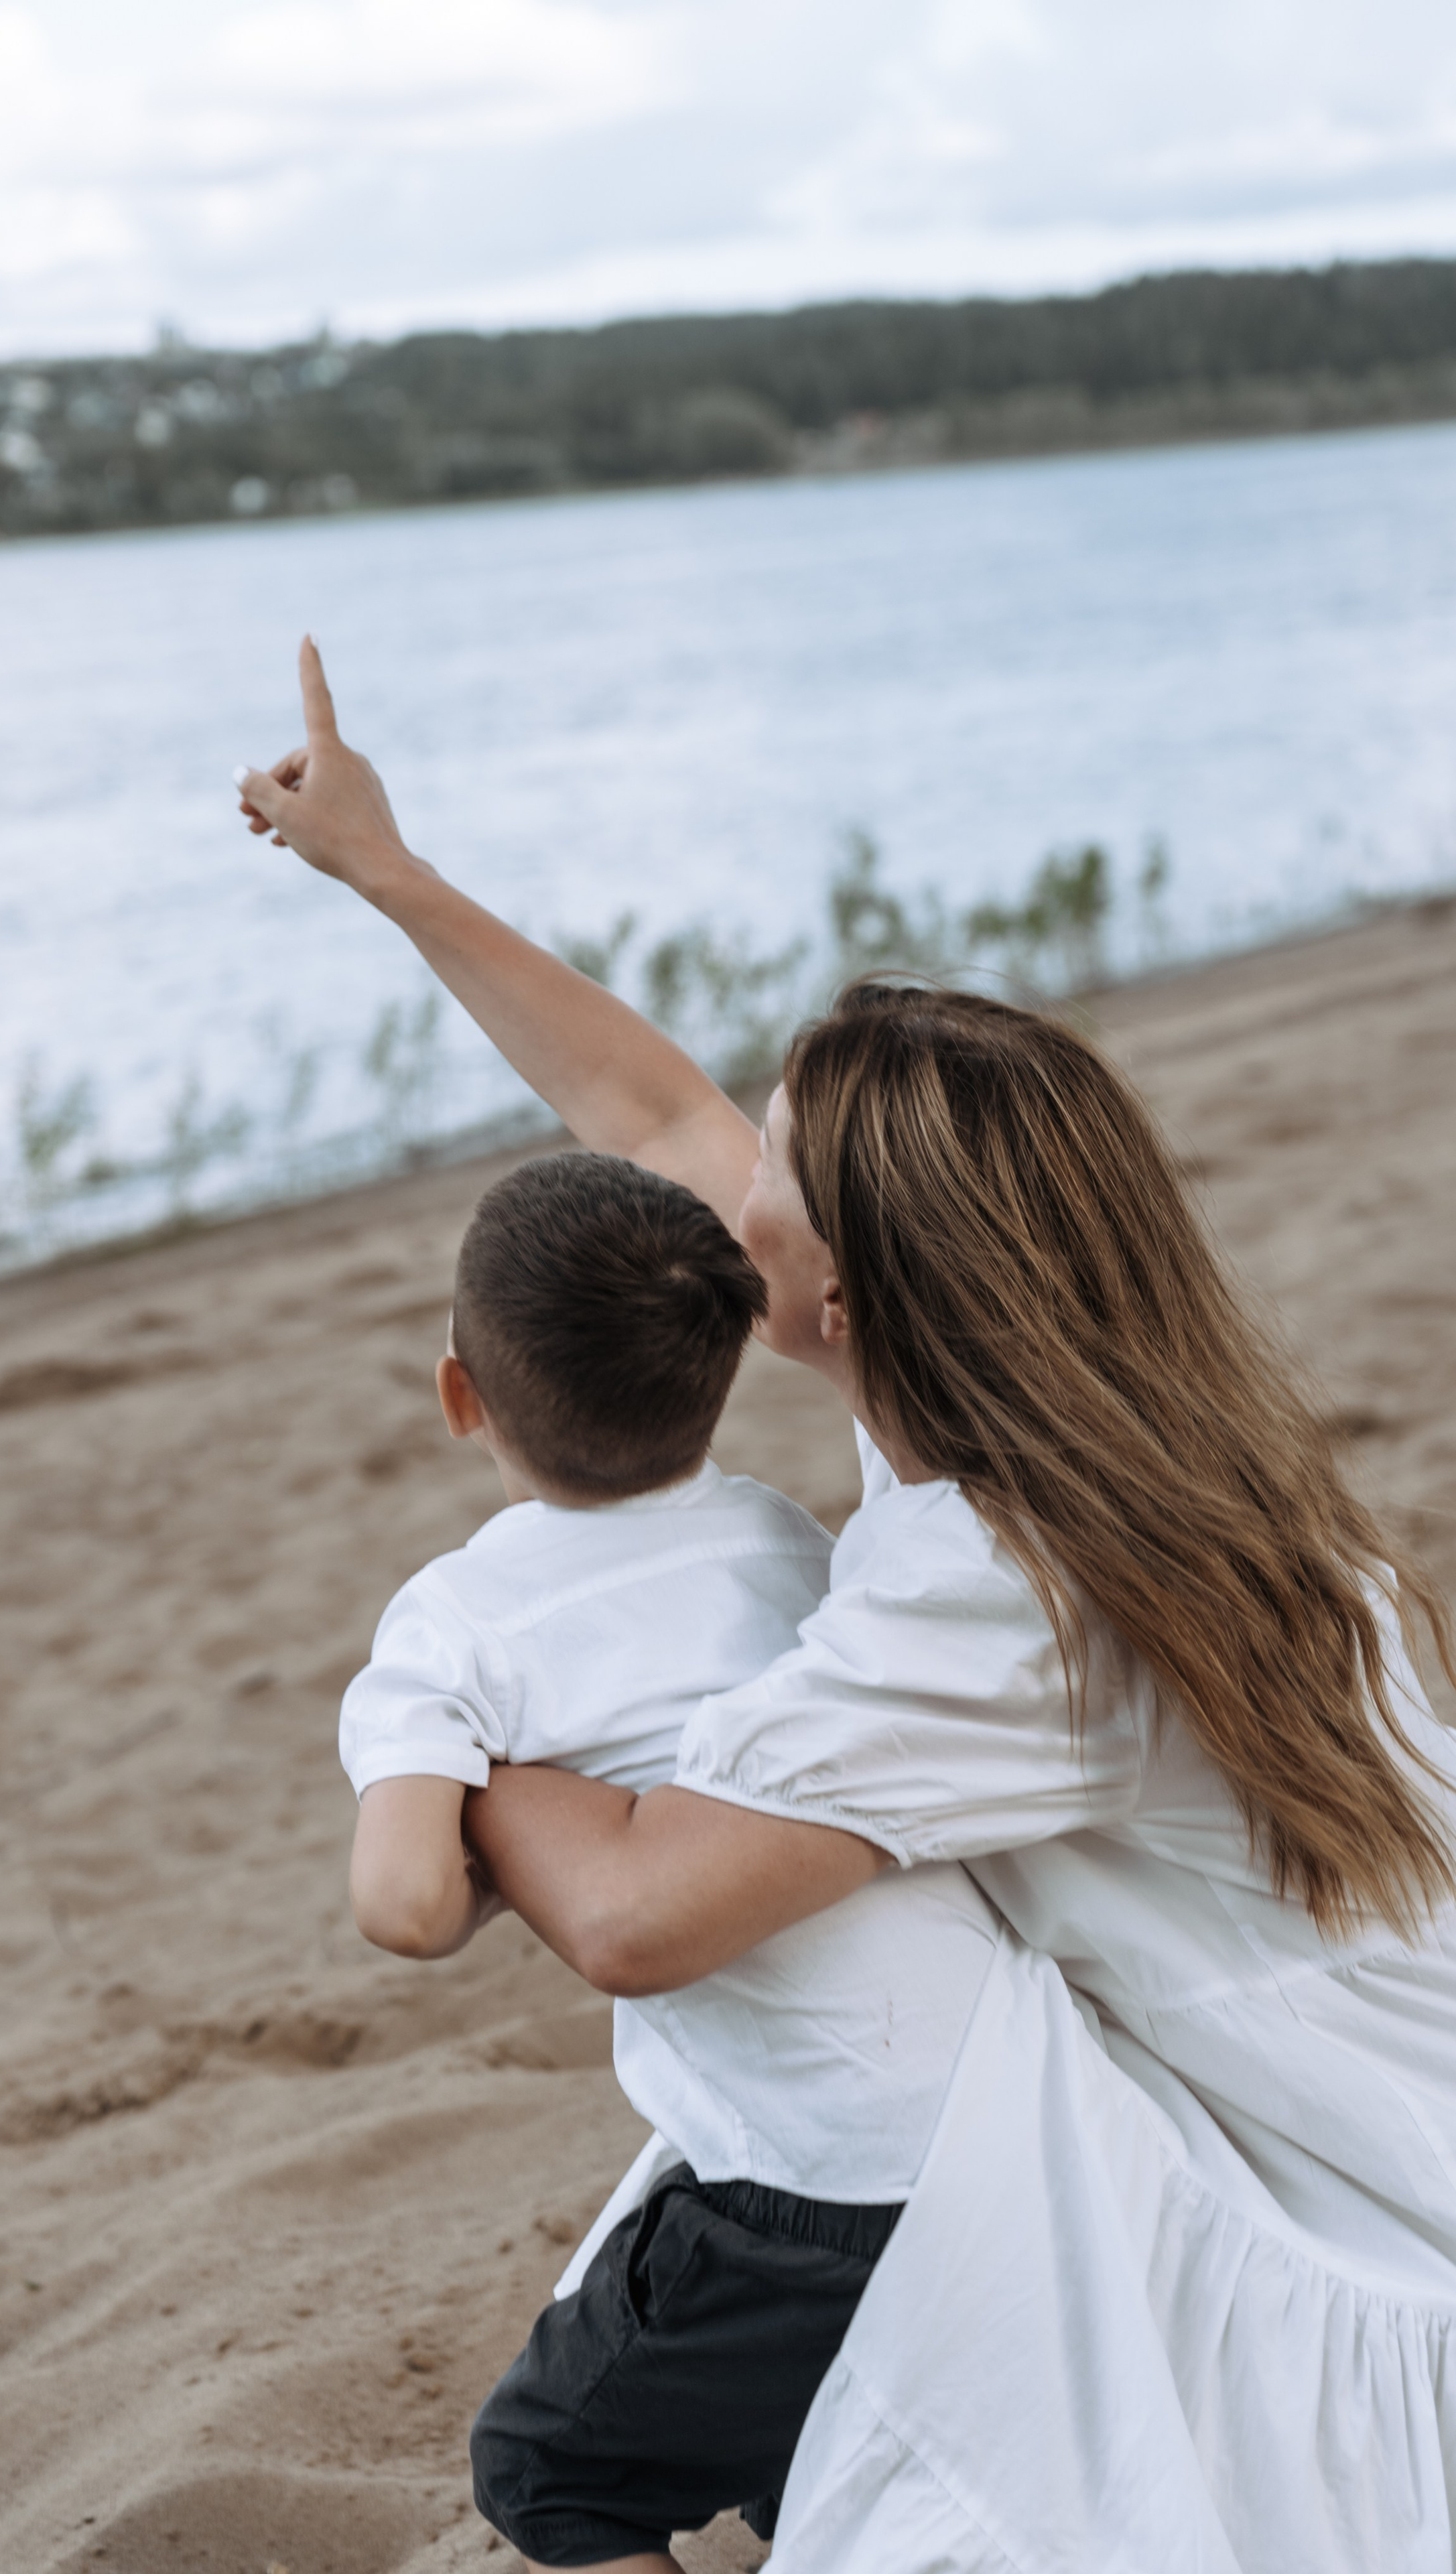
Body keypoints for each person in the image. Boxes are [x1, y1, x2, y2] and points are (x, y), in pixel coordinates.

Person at [237, 643, 1456, 2571]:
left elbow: (635, 1915)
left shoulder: (1002, 1597)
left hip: (1340, 2198)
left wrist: (459, 1725)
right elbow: (645, 1110)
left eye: (778, 1179)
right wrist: (385, 868)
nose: (733, 1193)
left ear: (847, 1301)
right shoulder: (1097, 1424)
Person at [338, 1149, 999, 2569]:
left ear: (462, 1396)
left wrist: (505, 1825)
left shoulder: (455, 1621)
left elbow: (400, 1905)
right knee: (797, 2455)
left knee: (546, 2468)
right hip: (1000, 2115)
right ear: (717, 1368)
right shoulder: (778, 1530)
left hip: (814, 2182)